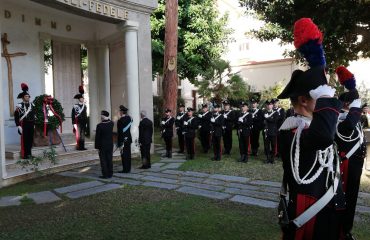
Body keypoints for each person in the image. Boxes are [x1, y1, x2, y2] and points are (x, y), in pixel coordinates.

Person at [278, 18, 344, 240]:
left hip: (326, 207)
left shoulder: (309, 127)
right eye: (321, 96)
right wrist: (326, 97)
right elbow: (324, 136)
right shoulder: (293, 131)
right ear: (305, 100)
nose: (327, 100)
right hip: (309, 212)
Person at [335, 66, 367, 240]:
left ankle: (346, 229)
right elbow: (349, 124)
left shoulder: (352, 120)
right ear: (346, 105)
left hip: (355, 164)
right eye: (353, 105)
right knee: (343, 198)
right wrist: (355, 97)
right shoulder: (340, 121)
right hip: (345, 165)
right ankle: (340, 230)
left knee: (352, 198)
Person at [14, 83, 35, 159]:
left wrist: (34, 124)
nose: (28, 97)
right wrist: (18, 125)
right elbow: (16, 116)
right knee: (25, 139)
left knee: (30, 139)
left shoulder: (32, 105)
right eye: (26, 96)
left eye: (28, 96)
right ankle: (25, 155)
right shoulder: (19, 105)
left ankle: (29, 154)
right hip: (24, 124)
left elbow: (33, 114)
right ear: (22, 98)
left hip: (31, 123)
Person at [94, 110, 114, 179]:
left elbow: (97, 138)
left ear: (102, 117)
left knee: (103, 160)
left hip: (102, 145)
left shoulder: (99, 125)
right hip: (110, 144)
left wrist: (97, 147)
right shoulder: (111, 123)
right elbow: (109, 120)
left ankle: (105, 174)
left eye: (101, 116)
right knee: (109, 159)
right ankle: (110, 173)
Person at [117, 105, 132, 173]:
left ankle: (125, 169)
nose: (119, 112)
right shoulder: (129, 118)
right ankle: (128, 168)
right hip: (128, 138)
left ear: (122, 112)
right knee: (128, 154)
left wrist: (119, 142)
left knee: (124, 155)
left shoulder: (120, 120)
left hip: (123, 140)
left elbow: (120, 132)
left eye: (120, 111)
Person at [72, 85, 88, 151]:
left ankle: (83, 146)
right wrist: (73, 123)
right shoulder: (75, 106)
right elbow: (73, 115)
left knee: (83, 135)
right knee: (78, 135)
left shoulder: (85, 106)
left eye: (83, 98)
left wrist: (86, 122)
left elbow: (85, 115)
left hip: (83, 122)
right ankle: (79, 147)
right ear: (79, 99)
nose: (83, 99)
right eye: (82, 98)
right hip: (78, 122)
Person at [263, 100, 279, 164]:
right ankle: (268, 158)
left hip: (273, 131)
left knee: (273, 145)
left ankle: (272, 158)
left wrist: (267, 118)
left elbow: (275, 121)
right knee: (266, 146)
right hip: (266, 131)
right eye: (268, 105)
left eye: (270, 104)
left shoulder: (276, 113)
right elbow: (262, 122)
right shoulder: (263, 112)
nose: (269, 106)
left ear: (272, 105)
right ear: (266, 106)